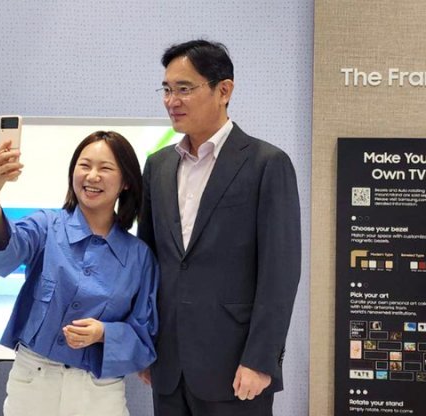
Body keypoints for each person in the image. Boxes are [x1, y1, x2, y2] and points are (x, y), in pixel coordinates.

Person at [137, 39, 301, 416]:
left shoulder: (266, 163)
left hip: (236, 367)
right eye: (166, 89)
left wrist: (261, 359)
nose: (172, 101)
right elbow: (148, 263)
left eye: (184, 88)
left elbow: (280, 272)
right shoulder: (158, 166)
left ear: (224, 90)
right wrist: (144, 345)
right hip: (168, 364)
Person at [0, 131, 158, 416]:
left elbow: (145, 339)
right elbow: (2, 257)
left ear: (125, 182)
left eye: (105, 168)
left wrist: (104, 333)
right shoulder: (46, 225)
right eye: (84, 165)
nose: (92, 176)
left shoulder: (139, 257)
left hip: (98, 393)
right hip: (33, 383)